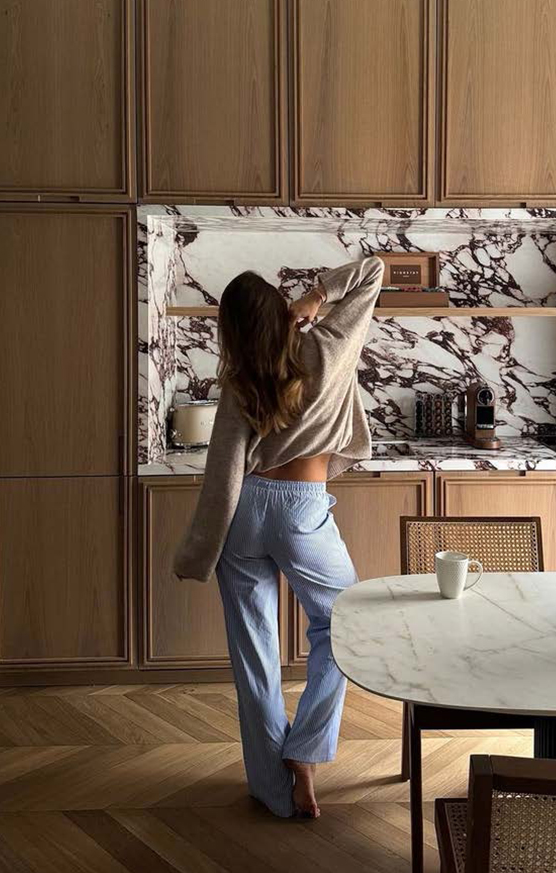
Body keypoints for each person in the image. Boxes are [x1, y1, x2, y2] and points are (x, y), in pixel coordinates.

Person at [172, 256, 384, 819]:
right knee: (345, 627)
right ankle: (305, 751)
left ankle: (274, 789)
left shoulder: (240, 381)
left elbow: (224, 470)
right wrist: (316, 296)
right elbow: (373, 270)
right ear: (281, 312)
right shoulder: (327, 349)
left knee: (255, 655)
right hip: (301, 510)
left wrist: (201, 548)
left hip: (245, 513)